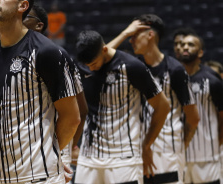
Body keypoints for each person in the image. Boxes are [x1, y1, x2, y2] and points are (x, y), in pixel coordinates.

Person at [0, 0, 80, 183]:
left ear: (22, 6)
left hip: (38, 176)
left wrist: (50, 154)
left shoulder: (47, 51)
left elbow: (72, 117)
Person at [107, 14, 199, 183]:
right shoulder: (133, 66)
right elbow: (99, 58)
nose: (130, 40)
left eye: (134, 35)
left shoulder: (175, 70)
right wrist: (125, 33)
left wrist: (178, 147)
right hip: (135, 151)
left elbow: (193, 118)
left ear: (150, 35)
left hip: (166, 153)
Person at [75, 30, 170, 184]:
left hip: (124, 159)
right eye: (88, 65)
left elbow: (163, 106)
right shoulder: (83, 66)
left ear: (104, 50)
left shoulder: (132, 66)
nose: (91, 69)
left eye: (93, 64)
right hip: (88, 158)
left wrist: (147, 145)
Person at [23, 3, 88, 183]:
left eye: (26, 17)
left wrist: (60, 150)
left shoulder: (58, 55)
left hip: (49, 157)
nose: (19, 20)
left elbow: (80, 112)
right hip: (17, 158)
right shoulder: (9, 59)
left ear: (39, 25)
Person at [179, 33, 223, 184]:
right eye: (183, 44)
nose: (185, 47)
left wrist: (216, 144)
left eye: (191, 45)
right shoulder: (174, 78)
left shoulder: (212, 80)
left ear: (200, 52)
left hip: (206, 156)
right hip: (180, 155)